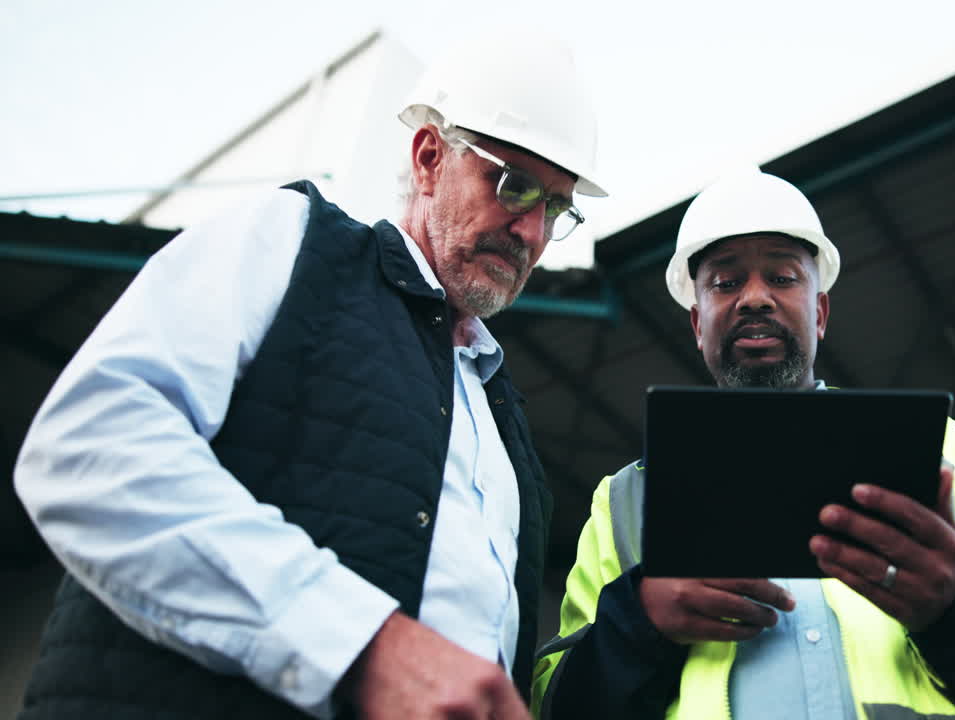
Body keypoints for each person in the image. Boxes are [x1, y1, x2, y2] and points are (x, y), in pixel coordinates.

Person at [13, 31, 605, 720]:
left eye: (555, 207)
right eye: (514, 185)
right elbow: (88, 447)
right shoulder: (293, 243)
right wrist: (364, 646)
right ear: (428, 157)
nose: (532, 232)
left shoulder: (507, 431)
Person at [531, 169, 955, 719]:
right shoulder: (624, 501)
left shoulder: (939, 451)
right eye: (725, 283)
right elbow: (554, 704)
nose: (754, 298)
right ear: (696, 324)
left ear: (819, 312)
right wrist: (641, 622)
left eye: (783, 277)